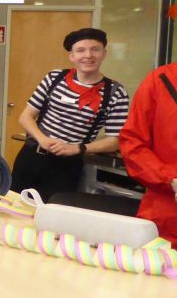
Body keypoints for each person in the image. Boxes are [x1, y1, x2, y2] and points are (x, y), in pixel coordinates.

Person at [10, 27, 129, 201]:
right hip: (31, 156)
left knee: (54, 211)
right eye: (80, 50)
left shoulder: (115, 92)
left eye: (95, 49)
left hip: (67, 166)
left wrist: (77, 148)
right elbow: (25, 116)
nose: (88, 55)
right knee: (14, 206)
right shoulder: (55, 78)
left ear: (104, 54)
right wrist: (42, 139)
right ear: (72, 56)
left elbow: (114, 141)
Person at [119, 17, 177, 259]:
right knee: (149, 280)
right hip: (165, 214)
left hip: (168, 205)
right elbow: (132, 142)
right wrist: (170, 179)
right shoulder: (161, 80)